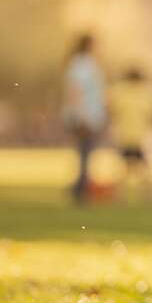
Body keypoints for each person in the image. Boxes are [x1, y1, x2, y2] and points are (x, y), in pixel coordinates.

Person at [62, 33, 106, 204]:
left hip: (89, 115)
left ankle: (81, 186)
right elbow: (75, 90)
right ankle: (80, 189)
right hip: (84, 115)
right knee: (84, 152)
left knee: (85, 152)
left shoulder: (85, 64)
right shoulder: (82, 64)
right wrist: (81, 114)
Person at [108, 67, 152, 201]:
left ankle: (119, 195)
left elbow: (111, 109)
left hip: (124, 135)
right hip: (140, 136)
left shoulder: (119, 91)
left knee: (123, 168)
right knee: (145, 167)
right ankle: (148, 194)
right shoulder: (146, 93)